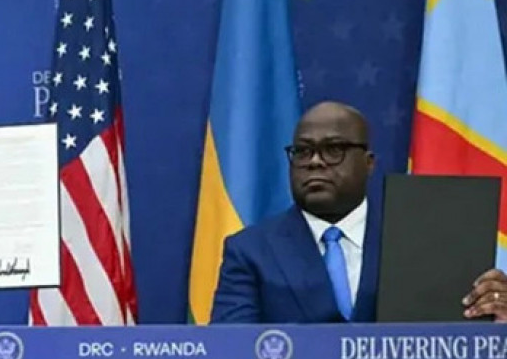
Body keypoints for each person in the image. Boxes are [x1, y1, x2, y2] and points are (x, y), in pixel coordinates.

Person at [211, 100, 507, 324]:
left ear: (368, 163)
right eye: (303, 151)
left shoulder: (425, 240)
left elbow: (457, 348)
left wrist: (496, 317)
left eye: (333, 149)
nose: (315, 162)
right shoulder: (251, 251)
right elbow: (230, 355)